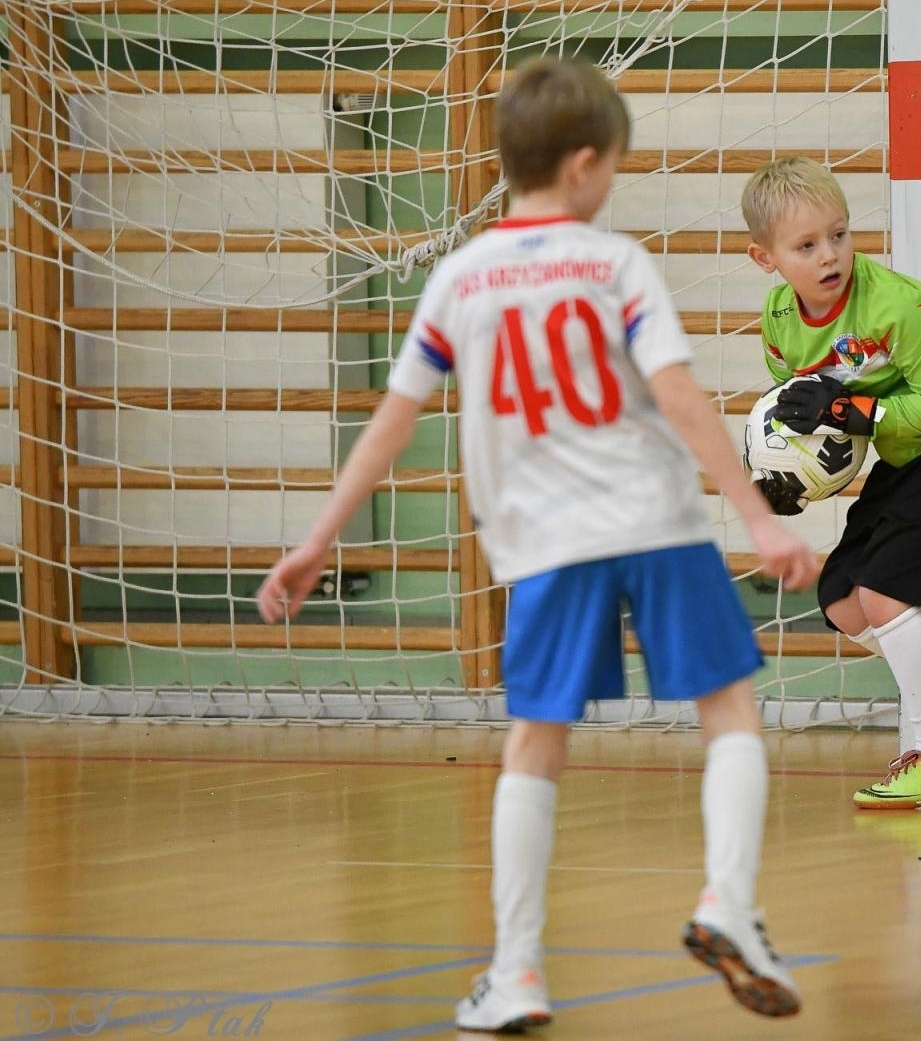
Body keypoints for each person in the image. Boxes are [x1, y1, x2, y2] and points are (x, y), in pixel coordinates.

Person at [256, 58, 819, 1031]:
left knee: (534, 745)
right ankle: (726, 898)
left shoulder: (460, 275)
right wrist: (758, 517)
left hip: (546, 545)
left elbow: (394, 417)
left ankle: (515, 970)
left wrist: (315, 539)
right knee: (727, 710)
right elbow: (679, 398)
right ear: (586, 166)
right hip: (656, 521)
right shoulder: (615, 264)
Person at [740, 156, 921, 809]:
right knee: (843, 599)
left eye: (838, 235)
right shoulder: (781, 323)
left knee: (885, 591)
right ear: (766, 259)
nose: (829, 256)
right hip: (910, 456)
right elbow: (814, 426)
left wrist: (854, 411)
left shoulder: (895, 305)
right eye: (806, 245)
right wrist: (787, 480)